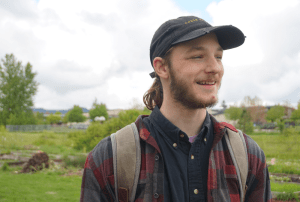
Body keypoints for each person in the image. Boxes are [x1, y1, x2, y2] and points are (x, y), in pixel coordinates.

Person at [80, 16, 272, 202]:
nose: (215, 68)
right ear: (162, 67)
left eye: (218, 57)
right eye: (198, 56)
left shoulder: (247, 154)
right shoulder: (109, 158)